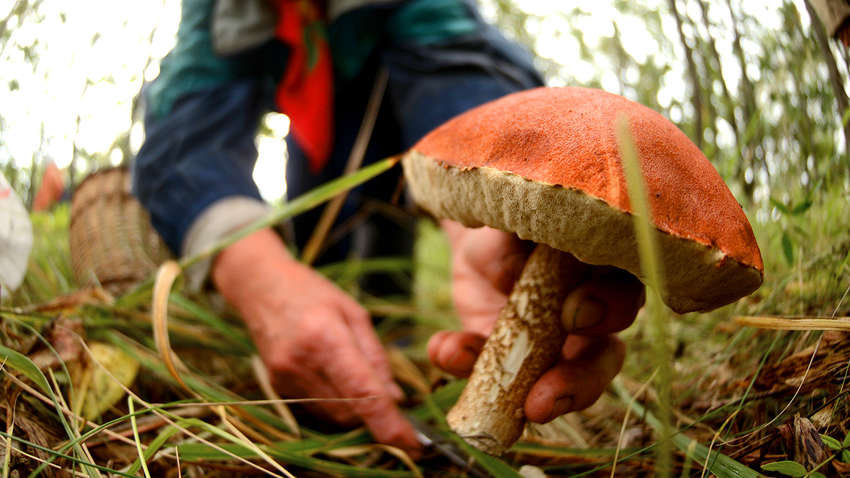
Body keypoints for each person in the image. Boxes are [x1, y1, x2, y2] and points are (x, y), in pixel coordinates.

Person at [133, 0, 644, 456]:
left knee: (387, 260)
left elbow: (457, 63)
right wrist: (260, 278)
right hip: (312, 143)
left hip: (396, 139)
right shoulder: (220, 11)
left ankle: (394, 364)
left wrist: (488, 221)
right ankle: (323, 386)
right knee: (316, 251)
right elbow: (186, 129)